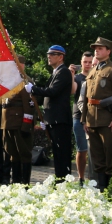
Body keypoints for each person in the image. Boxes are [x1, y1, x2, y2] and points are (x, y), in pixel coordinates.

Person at [83, 37, 112, 191]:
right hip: (92, 120)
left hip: (107, 120)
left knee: (110, 157)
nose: (97, 50)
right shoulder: (93, 70)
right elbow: (86, 98)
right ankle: (101, 189)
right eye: (96, 48)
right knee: (97, 158)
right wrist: (84, 120)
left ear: (108, 51)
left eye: (100, 48)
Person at [29, 45, 73, 179]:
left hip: (60, 120)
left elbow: (53, 92)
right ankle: (59, 179)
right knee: (57, 152)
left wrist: (34, 89)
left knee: (62, 152)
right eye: (48, 53)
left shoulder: (63, 72)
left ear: (61, 57)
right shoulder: (56, 72)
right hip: (54, 119)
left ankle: (64, 180)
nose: (49, 56)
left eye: (53, 54)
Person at [1, 80, 35, 185]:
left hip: (20, 124)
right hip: (8, 124)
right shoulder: (5, 82)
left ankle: (25, 182)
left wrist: (26, 126)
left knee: (24, 153)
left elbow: (29, 106)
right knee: (12, 153)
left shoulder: (24, 83)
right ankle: (16, 181)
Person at [71, 52, 93, 184]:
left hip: (94, 118)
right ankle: (81, 177)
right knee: (82, 149)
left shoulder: (96, 77)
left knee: (93, 150)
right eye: (85, 62)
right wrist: (72, 75)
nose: (87, 64)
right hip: (78, 117)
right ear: (81, 62)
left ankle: (93, 177)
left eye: (90, 62)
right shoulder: (78, 77)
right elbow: (72, 91)